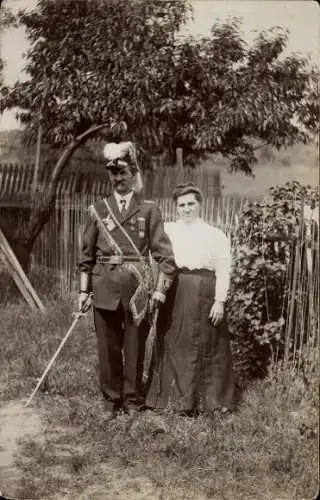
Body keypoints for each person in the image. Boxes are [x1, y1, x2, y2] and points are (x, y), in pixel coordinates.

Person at [78, 141, 177, 416]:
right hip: (104, 285)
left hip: (138, 292)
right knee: (108, 349)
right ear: (109, 176)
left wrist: (160, 291)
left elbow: (166, 257)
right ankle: (111, 401)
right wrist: (84, 292)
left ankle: (132, 400)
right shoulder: (97, 210)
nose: (118, 179)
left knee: (134, 348)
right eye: (113, 174)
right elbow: (86, 254)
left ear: (133, 175)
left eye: (123, 173)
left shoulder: (149, 210)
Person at [146, 182, 237, 415]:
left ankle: (210, 401)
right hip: (175, 289)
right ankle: (173, 400)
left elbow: (223, 269)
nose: (186, 209)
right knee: (174, 342)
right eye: (182, 205)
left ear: (199, 205)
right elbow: (156, 260)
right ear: (176, 207)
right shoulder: (168, 231)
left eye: (191, 204)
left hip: (206, 291)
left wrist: (220, 301)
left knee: (207, 343)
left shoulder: (215, 234)